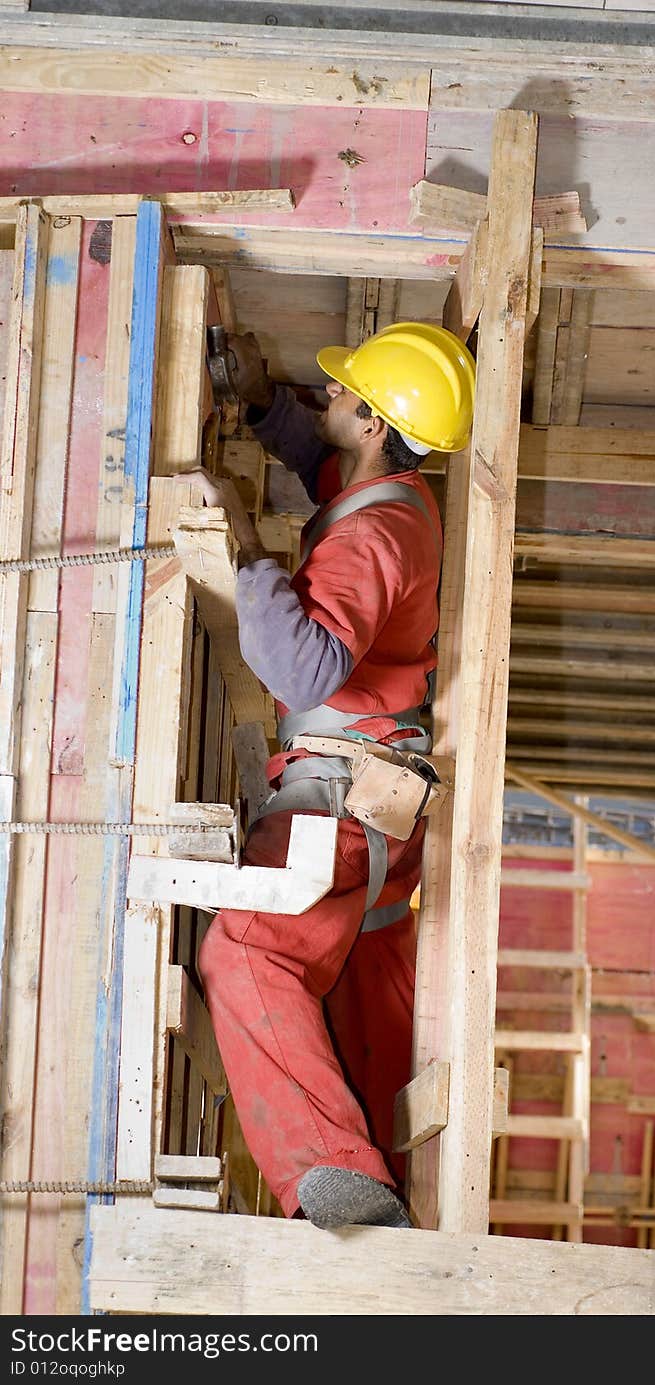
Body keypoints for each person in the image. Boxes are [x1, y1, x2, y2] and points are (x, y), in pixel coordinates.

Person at [174, 321, 476, 1230]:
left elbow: (303, 669)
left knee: (247, 952)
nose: (330, 396)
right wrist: (268, 406)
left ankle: (337, 1182)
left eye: (345, 393)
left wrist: (243, 552)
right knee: (364, 1021)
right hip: (381, 807)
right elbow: (326, 469)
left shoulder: (375, 537)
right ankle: (389, 1210)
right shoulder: (394, 495)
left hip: (340, 802)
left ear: (377, 421)